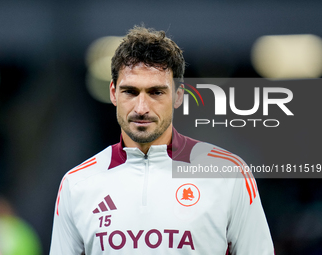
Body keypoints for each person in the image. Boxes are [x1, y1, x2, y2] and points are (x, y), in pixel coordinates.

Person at [50, 26, 274, 254]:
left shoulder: (229, 174)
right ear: (113, 92)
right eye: (130, 92)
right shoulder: (77, 184)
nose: (141, 108)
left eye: (156, 92)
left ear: (178, 96)